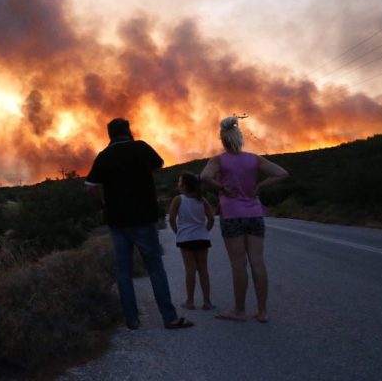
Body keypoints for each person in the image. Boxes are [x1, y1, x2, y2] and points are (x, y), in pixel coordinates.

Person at [85, 118, 193, 331]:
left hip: (117, 222)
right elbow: (159, 164)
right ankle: (169, 318)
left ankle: (132, 320)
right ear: (129, 132)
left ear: (110, 135)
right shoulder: (140, 147)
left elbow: (90, 187)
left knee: (123, 270)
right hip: (144, 218)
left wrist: (102, 206)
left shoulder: (104, 156)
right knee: (155, 268)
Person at [200, 116, 289, 323]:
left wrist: (221, 187)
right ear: (240, 138)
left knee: (238, 265)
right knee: (258, 262)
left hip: (232, 215)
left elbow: (204, 176)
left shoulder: (218, 160)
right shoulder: (254, 159)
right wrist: (260, 186)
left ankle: (239, 311)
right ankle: (262, 311)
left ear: (223, 140)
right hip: (255, 213)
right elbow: (282, 173)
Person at [168, 172, 215, 310]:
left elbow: (171, 218)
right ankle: (207, 302)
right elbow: (211, 218)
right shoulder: (202, 199)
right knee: (203, 269)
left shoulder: (178, 199)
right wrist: (206, 231)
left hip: (186, 238)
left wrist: (178, 231)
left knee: (190, 269)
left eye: (180, 182)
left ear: (184, 185)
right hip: (202, 237)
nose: (178, 184)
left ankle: (190, 301)